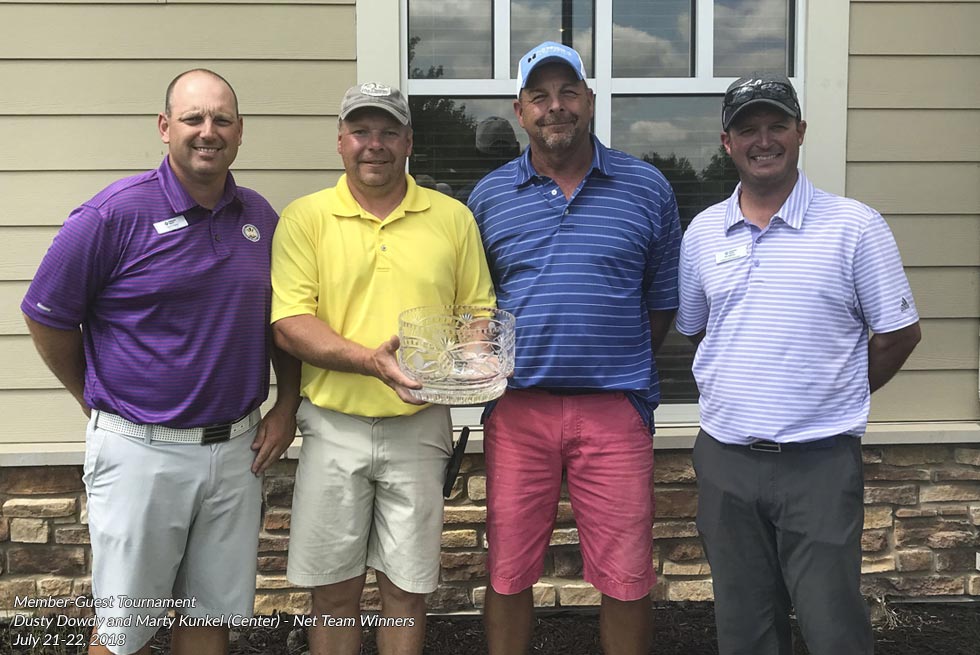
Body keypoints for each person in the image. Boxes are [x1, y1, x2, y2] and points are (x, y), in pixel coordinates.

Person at [21, 69, 300, 655]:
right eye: (194, 118)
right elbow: (46, 315)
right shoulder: (112, 216)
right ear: (164, 126)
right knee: (124, 631)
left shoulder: (259, 218)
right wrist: (90, 395)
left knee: (206, 620)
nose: (208, 132)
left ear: (241, 132)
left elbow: (281, 322)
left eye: (222, 119)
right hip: (141, 452)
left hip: (234, 454)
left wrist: (287, 404)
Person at [675, 73, 921, 655]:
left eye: (777, 125)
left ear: (801, 132)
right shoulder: (704, 233)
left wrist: (832, 391)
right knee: (744, 627)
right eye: (748, 129)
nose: (764, 140)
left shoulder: (855, 227)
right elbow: (699, 332)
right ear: (727, 142)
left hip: (819, 462)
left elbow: (899, 335)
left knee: (832, 626)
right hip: (727, 461)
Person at [467, 42, 682, 655]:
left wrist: (609, 354)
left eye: (567, 94)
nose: (554, 107)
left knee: (626, 575)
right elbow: (476, 304)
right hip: (517, 408)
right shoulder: (488, 198)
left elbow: (661, 300)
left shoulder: (646, 188)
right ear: (520, 110)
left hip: (614, 408)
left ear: (589, 101)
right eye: (540, 96)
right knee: (508, 571)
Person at [270, 82, 495, 655]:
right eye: (361, 131)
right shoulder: (306, 218)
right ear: (340, 142)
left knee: (407, 588)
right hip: (333, 425)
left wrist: (474, 360)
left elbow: (475, 311)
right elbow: (290, 322)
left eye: (389, 131)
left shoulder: (451, 217)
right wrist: (370, 362)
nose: (375, 144)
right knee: (334, 590)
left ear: (409, 141)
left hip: (420, 426)